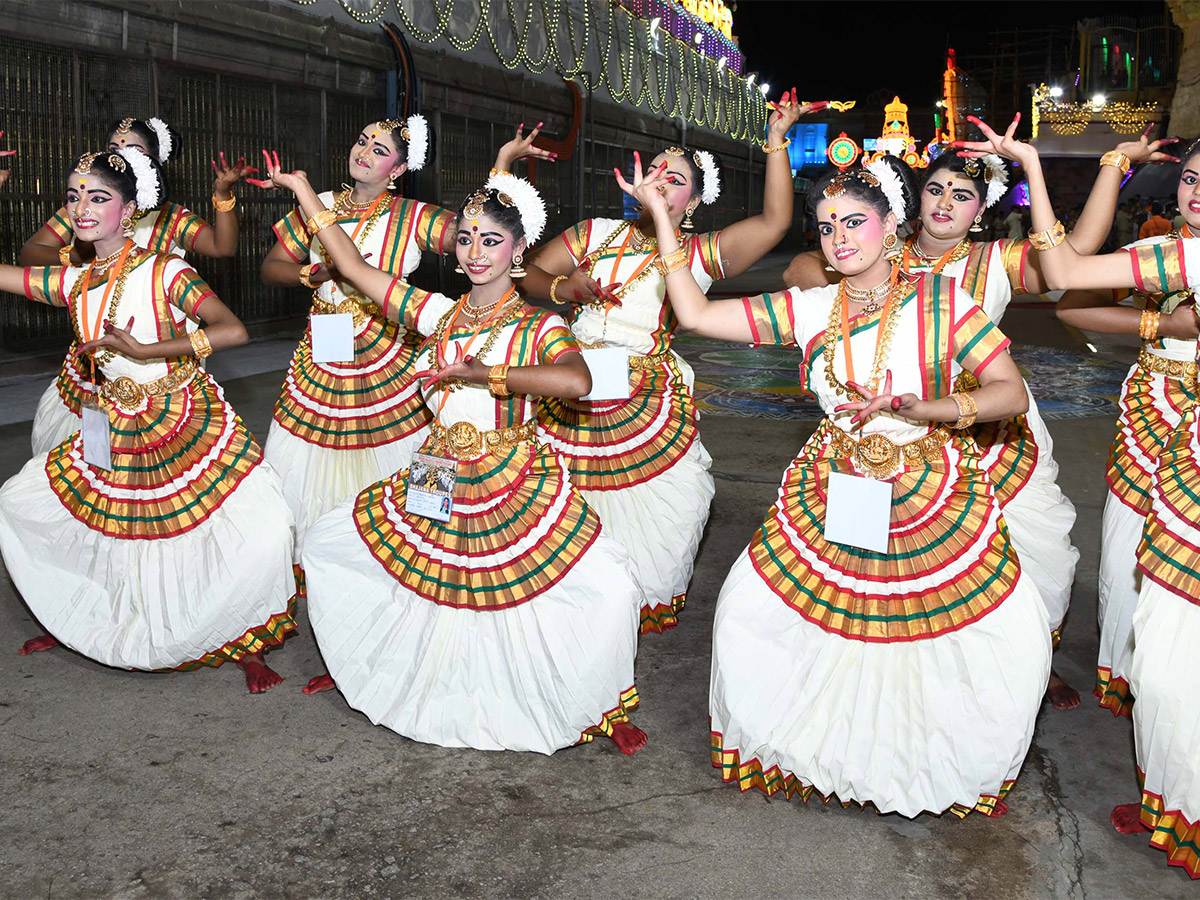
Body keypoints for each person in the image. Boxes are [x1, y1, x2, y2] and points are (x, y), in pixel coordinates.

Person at [622, 149, 1050, 816]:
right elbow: (700, 317)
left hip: (928, 486)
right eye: (826, 227)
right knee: (754, 612)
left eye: (855, 223)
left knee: (951, 637)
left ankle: (912, 755)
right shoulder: (812, 307)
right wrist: (660, 216)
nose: (840, 239)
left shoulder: (942, 302)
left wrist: (925, 408)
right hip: (835, 482)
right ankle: (818, 747)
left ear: (890, 227)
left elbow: (1010, 394)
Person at [255, 154, 648, 755]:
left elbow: (577, 384)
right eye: (465, 239)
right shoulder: (440, 315)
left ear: (518, 251)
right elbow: (356, 268)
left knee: (587, 587)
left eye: (491, 241)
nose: (474, 252)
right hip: (436, 467)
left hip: (510, 474)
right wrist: (306, 191)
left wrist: (487, 373)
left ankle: (593, 697)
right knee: (383, 566)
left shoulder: (542, 328)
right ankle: (381, 674)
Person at [781, 134, 1175, 709]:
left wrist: (1108, 165)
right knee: (882, 555)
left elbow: (1081, 251)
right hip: (888, 431)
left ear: (982, 206)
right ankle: (892, 671)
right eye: (935, 189)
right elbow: (800, 268)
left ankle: (1029, 657)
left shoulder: (997, 260)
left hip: (988, 426)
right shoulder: (873, 246)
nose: (945, 203)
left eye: (962, 195)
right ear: (910, 203)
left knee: (1030, 550)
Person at [961, 113, 1200, 875]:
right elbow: (1063, 278)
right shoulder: (1178, 255)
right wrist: (1062, 165)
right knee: (1166, 648)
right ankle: (1179, 798)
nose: (1198, 193)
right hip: (1179, 446)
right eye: (1192, 177)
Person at [518, 91, 820, 634]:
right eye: (655, 167)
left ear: (695, 202)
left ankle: (629, 594)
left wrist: (777, 142)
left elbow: (775, 223)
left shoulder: (699, 253)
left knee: (659, 500)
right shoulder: (595, 233)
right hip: (570, 374)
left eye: (676, 178)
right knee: (558, 489)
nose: (659, 178)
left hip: (645, 392)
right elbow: (527, 273)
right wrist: (566, 287)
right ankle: (568, 589)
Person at [0, 149, 297, 693]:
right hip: (114, 422)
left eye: (98, 198)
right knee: (62, 515)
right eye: (73, 198)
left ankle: (244, 639)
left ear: (130, 207)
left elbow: (232, 331)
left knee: (245, 529)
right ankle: (87, 622)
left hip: (185, 418)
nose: (83, 210)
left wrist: (146, 349)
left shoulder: (166, 270)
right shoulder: (72, 281)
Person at [254, 120, 552, 557]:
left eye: (380, 149)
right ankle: (329, 550)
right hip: (325, 352)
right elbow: (344, 268)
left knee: (426, 507)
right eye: (361, 141)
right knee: (320, 466)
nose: (365, 152)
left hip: (391, 362)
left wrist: (502, 167)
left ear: (399, 168)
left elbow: (485, 223)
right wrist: (308, 265)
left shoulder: (506, 320)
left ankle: (390, 548)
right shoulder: (437, 314)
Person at [1057, 137, 1199, 716]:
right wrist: (1164, 324)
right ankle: (1132, 675)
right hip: (1156, 407)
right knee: (1126, 551)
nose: (1198, 194)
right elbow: (1070, 304)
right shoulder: (1157, 251)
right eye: (1191, 180)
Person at [18, 116, 255, 455]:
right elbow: (30, 253)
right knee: (96, 457)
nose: (122, 154)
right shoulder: (85, 206)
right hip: (100, 345)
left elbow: (222, 248)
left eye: (133, 148)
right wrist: (84, 256)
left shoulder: (169, 224)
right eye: (114, 148)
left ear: (154, 160)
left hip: (161, 341)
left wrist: (222, 196)